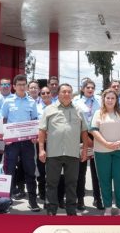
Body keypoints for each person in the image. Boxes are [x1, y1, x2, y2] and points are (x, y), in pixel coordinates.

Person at [38, 83, 91, 216]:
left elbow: (84, 131)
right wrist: (41, 150)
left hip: (73, 153)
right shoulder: (49, 109)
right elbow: (42, 131)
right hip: (53, 153)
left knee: (72, 183)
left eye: (69, 92)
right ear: (59, 94)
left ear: (72, 94)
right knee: (51, 183)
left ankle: (71, 211)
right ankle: (51, 210)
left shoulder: (78, 110)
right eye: (64, 92)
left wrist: (85, 150)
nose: (67, 94)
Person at [1, 74, 41, 212]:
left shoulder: (32, 102)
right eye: (19, 84)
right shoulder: (7, 101)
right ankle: (6, 200)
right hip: (12, 143)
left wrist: (35, 135)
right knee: (9, 171)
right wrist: (6, 136)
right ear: (14, 86)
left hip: (28, 142)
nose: (22, 87)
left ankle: (33, 200)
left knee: (30, 171)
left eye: (24, 84)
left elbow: (35, 120)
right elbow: (4, 120)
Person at [90, 89, 120, 216]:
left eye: (113, 98)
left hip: (119, 150)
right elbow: (94, 131)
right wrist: (106, 143)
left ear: (116, 100)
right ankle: (107, 206)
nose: (110, 100)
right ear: (104, 99)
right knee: (104, 180)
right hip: (102, 151)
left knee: (119, 179)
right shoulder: (98, 113)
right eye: (108, 98)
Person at [72, 79, 103, 211]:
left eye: (92, 87)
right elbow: (74, 121)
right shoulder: (76, 102)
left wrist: (95, 137)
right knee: (81, 171)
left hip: (98, 136)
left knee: (98, 172)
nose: (90, 89)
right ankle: (80, 199)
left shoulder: (99, 101)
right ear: (83, 89)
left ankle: (98, 199)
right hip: (81, 136)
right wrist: (86, 138)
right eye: (88, 87)